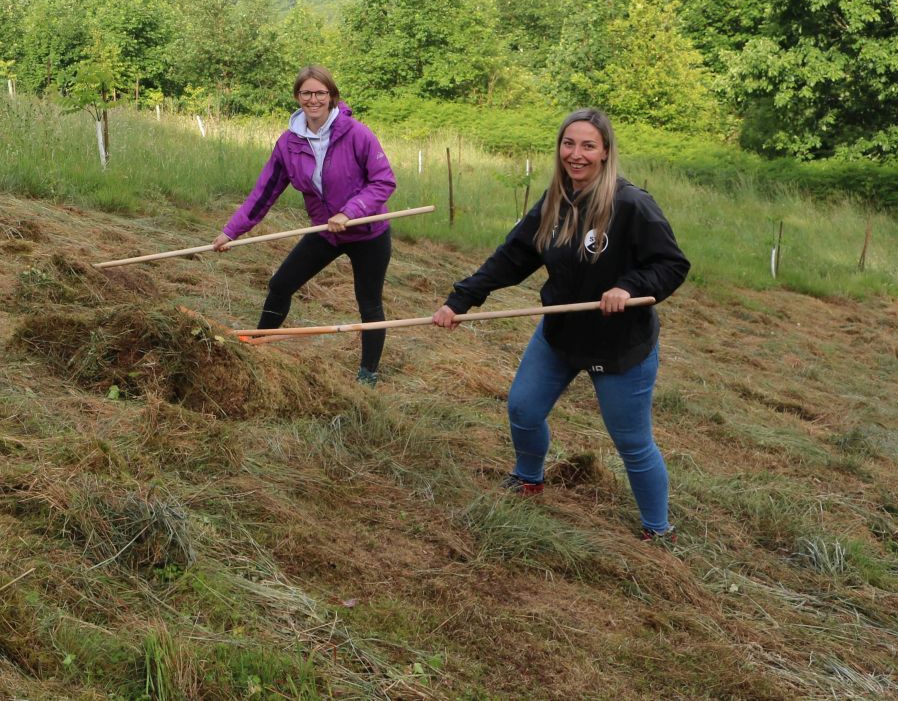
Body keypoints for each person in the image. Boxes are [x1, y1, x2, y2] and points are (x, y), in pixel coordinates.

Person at [430, 107, 689, 540]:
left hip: (620, 345)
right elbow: (512, 257)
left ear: (605, 151)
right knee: (523, 408)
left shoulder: (631, 205)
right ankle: (529, 478)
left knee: (631, 442)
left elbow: (671, 264)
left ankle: (657, 530)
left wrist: (628, 286)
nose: (576, 154)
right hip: (561, 333)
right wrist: (461, 300)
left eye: (588, 145)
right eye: (569, 144)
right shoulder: (554, 201)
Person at [213, 66, 398, 384]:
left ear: (331, 96)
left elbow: (384, 181)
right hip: (325, 232)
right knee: (280, 285)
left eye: (320, 93)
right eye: (306, 93)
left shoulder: (357, 133)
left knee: (369, 303)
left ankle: (368, 374)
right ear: (298, 97)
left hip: (368, 233)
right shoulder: (289, 144)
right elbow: (264, 193)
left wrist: (350, 212)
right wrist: (232, 230)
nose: (314, 99)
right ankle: (258, 346)